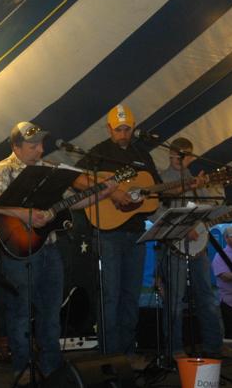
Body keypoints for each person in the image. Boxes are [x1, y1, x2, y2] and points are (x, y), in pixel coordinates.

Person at [0, 121, 117, 383]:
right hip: (19, 251)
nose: (40, 150)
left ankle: (51, 368)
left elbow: (73, 202)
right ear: (16, 147)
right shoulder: (4, 169)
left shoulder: (47, 170)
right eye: (33, 146)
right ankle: (23, 369)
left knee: (51, 312)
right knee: (20, 312)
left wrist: (102, 193)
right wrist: (23, 213)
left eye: (41, 144)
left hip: (49, 249)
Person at [75, 104, 161, 355]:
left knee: (130, 295)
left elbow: (152, 189)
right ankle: (109, 356)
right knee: (111, 295)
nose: (123, 134)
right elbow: (76, 178)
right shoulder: (98, 153)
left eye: (127, 129)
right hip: (108, 233)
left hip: (136, 233)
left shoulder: (143, 155)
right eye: (118, 129)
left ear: (133, 128)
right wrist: (113, 191)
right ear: (109, 128)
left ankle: (128, 352)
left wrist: (187, 185)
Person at [155, 137, 223, 357]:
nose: (178, 157)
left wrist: (210, 192)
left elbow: (208, 210)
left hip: (197, 247)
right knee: (174, 302)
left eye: (184, 154)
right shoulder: (162, 180)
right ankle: (175, 350)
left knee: (207, 298)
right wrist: (182, 229)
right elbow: (155, 213)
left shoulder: (196, 180)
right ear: (170, 154)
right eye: (175, 153)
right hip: (172, 247)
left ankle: (214, 347)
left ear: (191, 157)